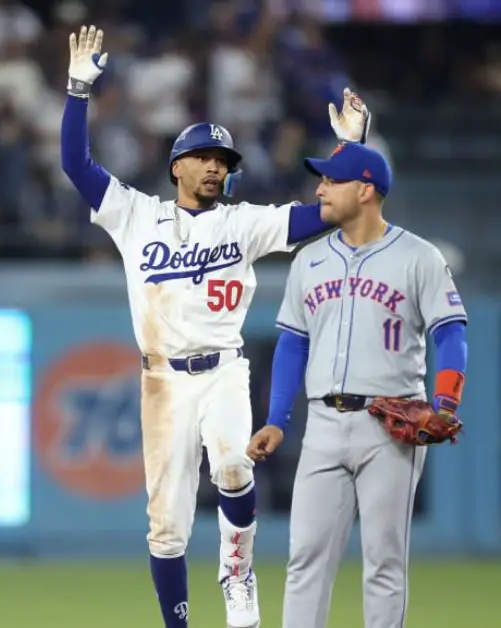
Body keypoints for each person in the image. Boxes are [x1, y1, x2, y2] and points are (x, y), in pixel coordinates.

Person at [59, 25, 370, 628]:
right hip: (162, 384)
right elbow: (76, 161)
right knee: (166, 526)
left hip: (224, 368)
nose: (215, 168)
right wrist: (77, 90)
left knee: (233, 466)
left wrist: (348, 151)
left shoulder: (243, 223)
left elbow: (328, 212)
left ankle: (237, 575)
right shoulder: (135, 215)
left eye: (224, 162)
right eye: (205, 157)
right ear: (178, 165)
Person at [247, 142, 468, 628]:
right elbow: (291, 345)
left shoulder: (418, 256)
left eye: (332, 180)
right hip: (323, 425)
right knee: (305, 561)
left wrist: (446, 400)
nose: (320, 188)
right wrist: (277, 420)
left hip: (390, 425)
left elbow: (450, 333)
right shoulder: (309, 259)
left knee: (384, 563)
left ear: (365, 190)